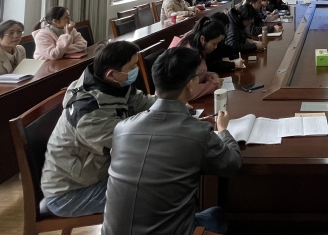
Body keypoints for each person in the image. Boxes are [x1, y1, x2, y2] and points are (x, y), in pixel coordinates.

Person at [102, 48, 242, 235]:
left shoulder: (121, 128)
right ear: (190, 85)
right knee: (217, 215)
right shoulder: (198, 133)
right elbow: (232, 164)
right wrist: (223, 130)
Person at [41, 41, 155, 217]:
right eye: (132, 66)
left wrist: (170, 104)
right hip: (69, 193)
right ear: (111, 74)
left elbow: (142, 103)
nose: (136, 69)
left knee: (163, 178)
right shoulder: (89, 112)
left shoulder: (115, 84)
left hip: (97, 173)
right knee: (155, 193)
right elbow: (129, 144)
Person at [175, 17, 227, 99]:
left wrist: (209, 75)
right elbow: (187, 92)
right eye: (214, 44)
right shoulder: (188, 54)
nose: (216, 47)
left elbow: (198, 73)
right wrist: (213, 85)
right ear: (202, 39)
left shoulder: (199, 48)